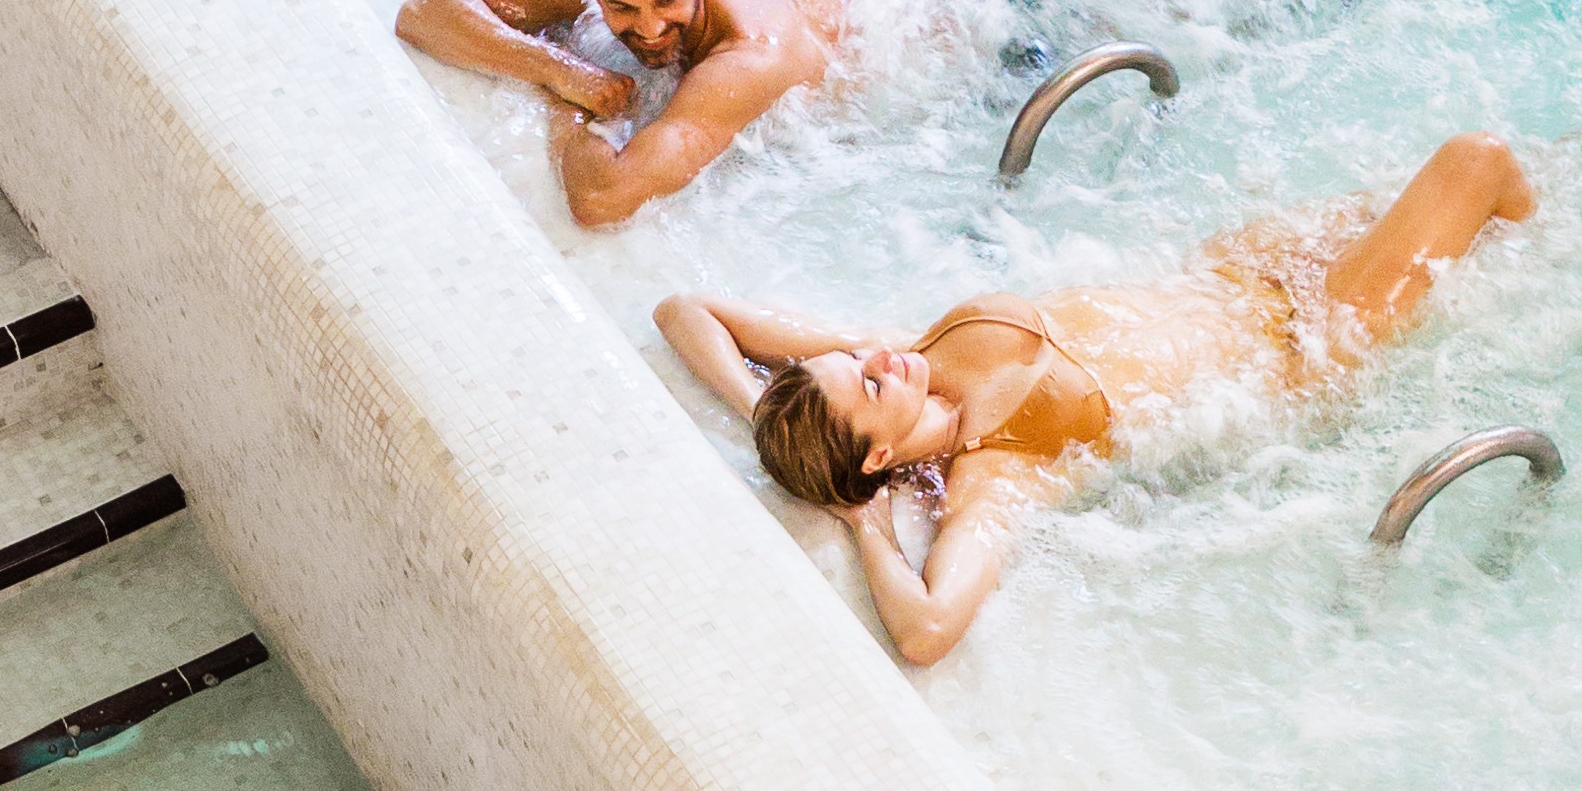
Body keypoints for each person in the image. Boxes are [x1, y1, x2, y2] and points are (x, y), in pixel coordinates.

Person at [656, 135, 1533, 668]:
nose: (876, 358)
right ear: (878, 455)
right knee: (1479, 163)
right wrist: (863, 520)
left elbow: (684, 311)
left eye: (855, 361)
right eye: (870, 382)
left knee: (1513, 197)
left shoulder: (904, 354)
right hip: (1313, 336)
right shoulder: (997, 476)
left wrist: (763, 411)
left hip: (1239, 269)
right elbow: (926, 630)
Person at [395, 0, 851, 228]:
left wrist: (565, 102)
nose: (650, 29)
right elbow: (424, 13)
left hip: (874, 42)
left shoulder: (749, 57)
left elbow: (602, 199)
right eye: (621, 7)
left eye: (668, 0)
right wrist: (558, 69)